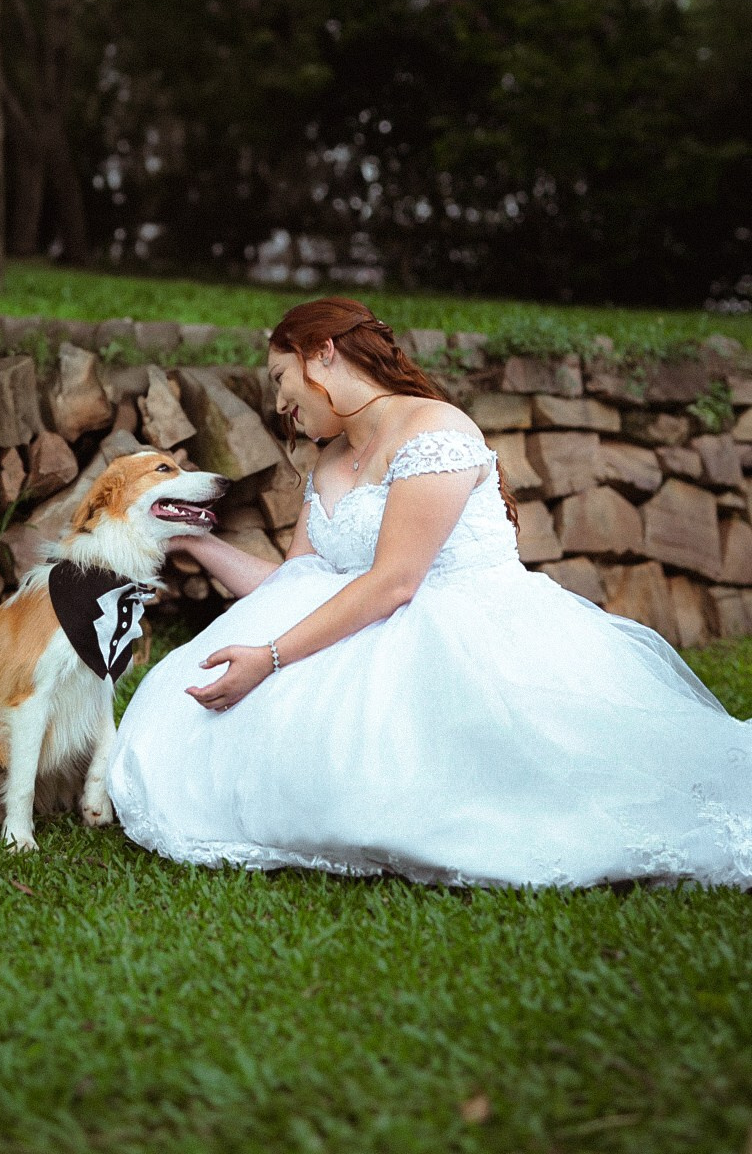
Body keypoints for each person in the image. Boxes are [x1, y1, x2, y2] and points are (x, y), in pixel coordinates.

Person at [106, 297, 752, 886]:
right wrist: (194, 544)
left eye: (280, 378)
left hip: (465, 639)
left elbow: (394, 582)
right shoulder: (330, 459)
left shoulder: (434, 432)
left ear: (321, 354)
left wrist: (270, 658)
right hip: (367, 624)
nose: (280, 403)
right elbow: (296, 585)